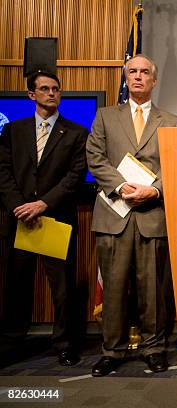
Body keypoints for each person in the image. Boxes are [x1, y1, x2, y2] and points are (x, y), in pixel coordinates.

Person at [86, 54, 177, 376]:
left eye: (145, 72)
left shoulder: (171, 121)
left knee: (153, 290)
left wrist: (154, 190)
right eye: (132, 72)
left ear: (153, 81)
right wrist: (123, 186)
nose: (138, 76)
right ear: (126, 78)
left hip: (152, 214)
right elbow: (95, 157)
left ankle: (154, 348)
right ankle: (111, 351)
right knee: (113, 287)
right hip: (114, 214)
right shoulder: (104, 116)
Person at [0, 71, 87, 366]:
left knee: (62, 288)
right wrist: (19, 206)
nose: (51, 93)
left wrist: (43, 203)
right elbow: (4, 173)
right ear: (31, 95)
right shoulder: (14, 131)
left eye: (55, 89)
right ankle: (12, 342)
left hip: (56, 218)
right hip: (20, 220)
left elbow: (74, 177)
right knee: (16, 285)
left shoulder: (75, 132)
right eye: (44, 89)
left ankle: (65, 343)